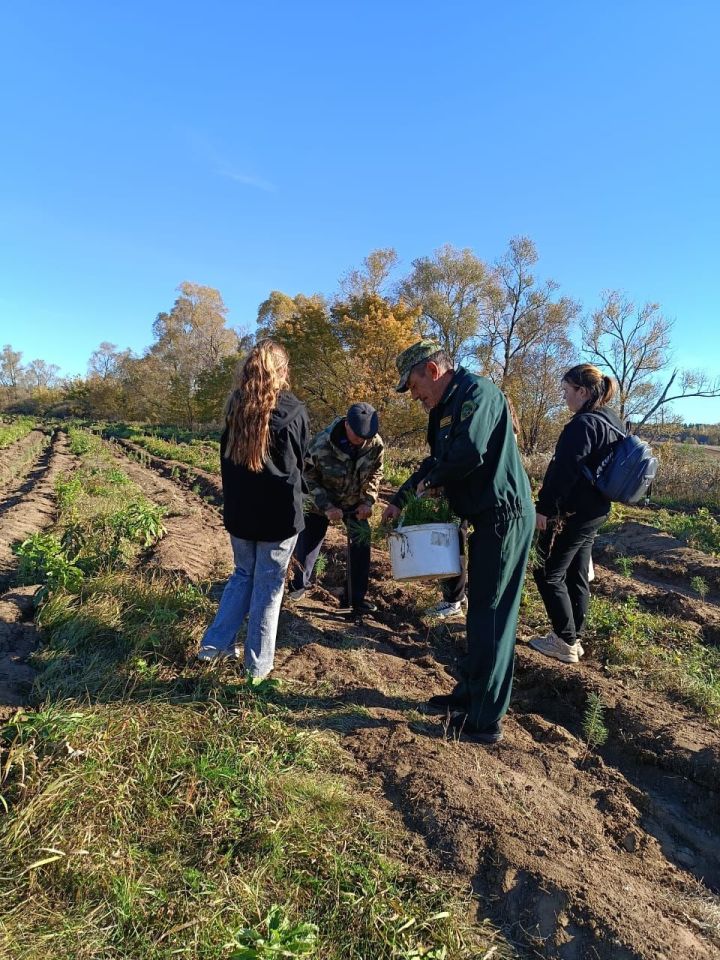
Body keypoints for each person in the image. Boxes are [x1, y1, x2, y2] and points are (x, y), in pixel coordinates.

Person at [382, 341, 534, 744]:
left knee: (494, 617)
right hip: (482, 519)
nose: (413, 396)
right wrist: (401, 498)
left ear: (432, 370)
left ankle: (485, 721)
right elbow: (435, 461)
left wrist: (432, 484)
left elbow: (469, 454)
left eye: (413, 386)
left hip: (505, 516)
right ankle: (468, 695)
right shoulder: (442, 409)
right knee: (478, 615)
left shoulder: (478, 393)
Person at [197, 340, 309, 678]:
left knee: (243, 576)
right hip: (279, 519)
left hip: (241, 515)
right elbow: (300, 465)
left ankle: (214, 647)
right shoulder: (294, 410)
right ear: (283, 372)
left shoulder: (236, 407)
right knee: (268, 591)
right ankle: (257, 670)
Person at [530, 363, 622, 665]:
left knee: (547, 571)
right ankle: (574, 636)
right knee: (576, 572)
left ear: (583, 391)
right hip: (597, 510)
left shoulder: (582, 425)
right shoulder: (611, 421)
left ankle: (565, 640)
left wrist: (544, 509)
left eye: (567, 391)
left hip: (574, 511)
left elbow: (564, 472)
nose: (564, 397)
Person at [289, 402, 384, 614]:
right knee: (309, 544)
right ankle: (296, 587)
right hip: (320, 502)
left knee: (361, 542)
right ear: (347, 425)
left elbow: (376, 472)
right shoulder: (321, 444)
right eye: (358, 435)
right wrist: (327, 506)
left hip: (353, 502)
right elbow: (306, 477)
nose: (362, 440)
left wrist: (368, 501)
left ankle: (354, 599)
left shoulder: (374, 443)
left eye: (366, 436)